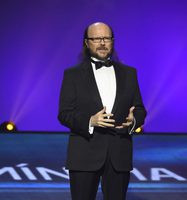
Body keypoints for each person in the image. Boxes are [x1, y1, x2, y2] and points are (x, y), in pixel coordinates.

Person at [58, 22, 147, 200]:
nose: (102, 43)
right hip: (84, 154)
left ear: (112, 41)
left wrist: (134, 120)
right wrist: (90, 121)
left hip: (119, 154)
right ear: (86, 43)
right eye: (97, 39)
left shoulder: (130, 73)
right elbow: (64, 113)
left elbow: (139, 109)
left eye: (106, 38)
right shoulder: (73, 74)